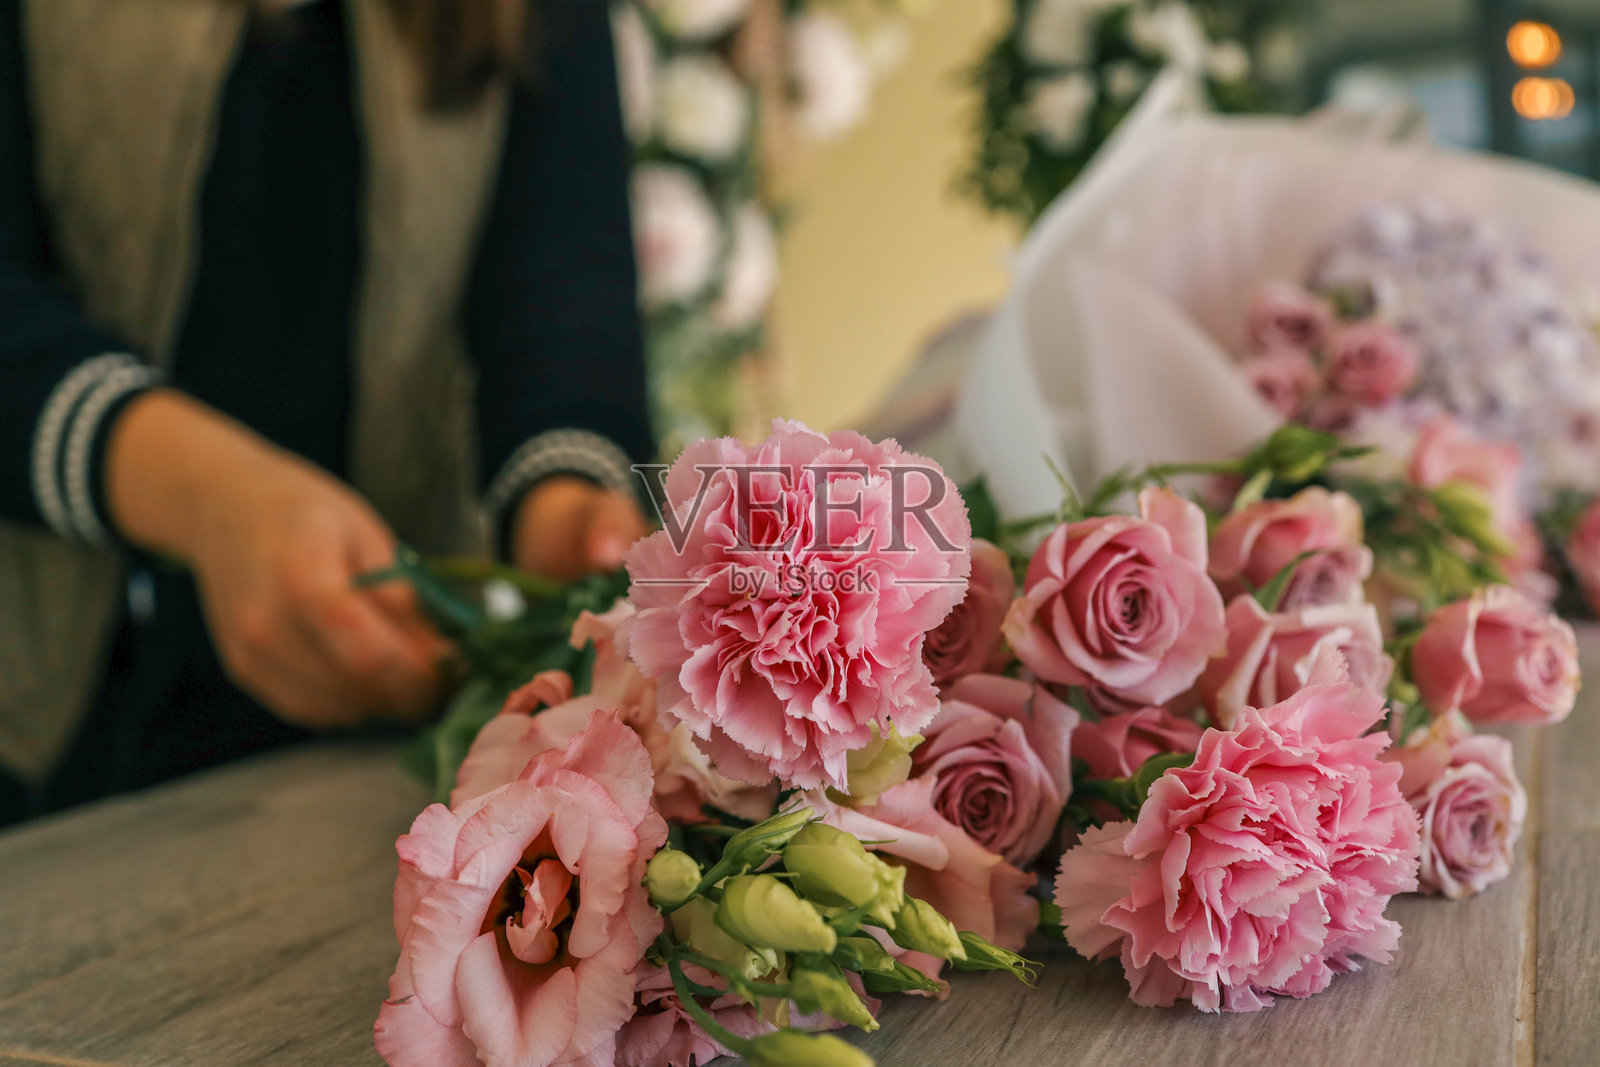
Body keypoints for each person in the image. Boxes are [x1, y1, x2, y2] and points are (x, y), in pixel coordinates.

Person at [0, 0, 653, 824]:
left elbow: (567, 293)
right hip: (36, 704)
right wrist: (202, 493)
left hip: (373, 729)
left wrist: (568, 506)